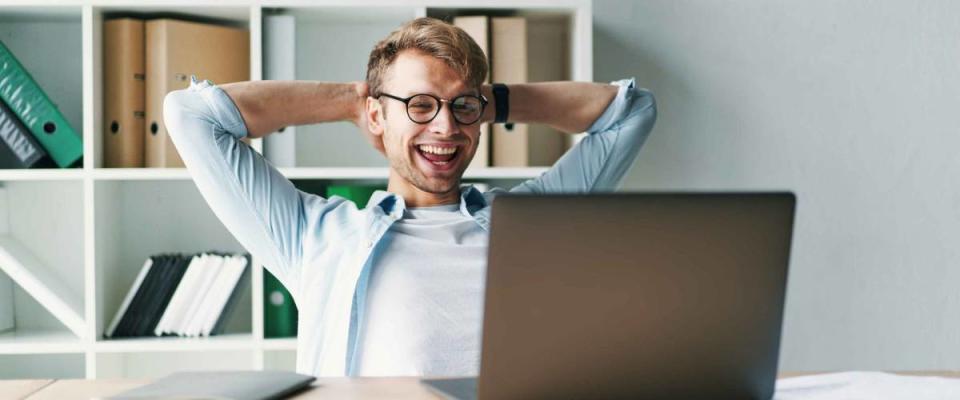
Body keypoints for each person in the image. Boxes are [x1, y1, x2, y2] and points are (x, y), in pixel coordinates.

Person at [163, 17, 656, 378]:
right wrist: (353, 99)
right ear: (378, 117)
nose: (445, 126)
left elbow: (632, 112)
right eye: (419, 105)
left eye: (461, 106)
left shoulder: (531, 221)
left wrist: (490, 100)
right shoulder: (314, 237)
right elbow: (191, 115)